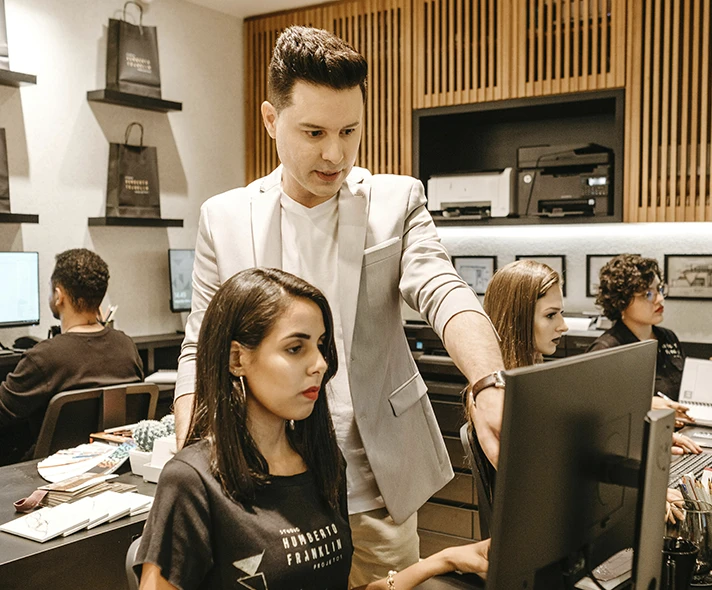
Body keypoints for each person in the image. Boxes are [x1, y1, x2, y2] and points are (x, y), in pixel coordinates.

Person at [173, 25, 504, 583]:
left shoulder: (395, 201)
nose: (335, 154)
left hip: (374, 482)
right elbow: (200, 345)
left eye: (350, 131)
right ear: (271, 120)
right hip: (267, 487)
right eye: (314, 131)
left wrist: (489, 383)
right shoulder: (224, 218)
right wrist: (192, 463)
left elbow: (444, 290)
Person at [136, 268, 490, 589]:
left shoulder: (323, 462)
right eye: (295, 348)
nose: (320, 364)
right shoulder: (191, 482)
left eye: (321, 346)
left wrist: (437, 562)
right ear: (237, 359)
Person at [0, 248, 144, 466]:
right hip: (113, 468)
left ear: (59, 296)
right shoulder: (126, 346)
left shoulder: (44, 358)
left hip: (52, 474)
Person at [586, 254, 700, 454]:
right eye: (648, 294)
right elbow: (593, 415)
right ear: (621, 302)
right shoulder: (606, 349)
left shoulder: (668, 337)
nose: (660, 299)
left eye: (660, 289)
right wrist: (644, 406)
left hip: (682, 438)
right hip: (635, 450)